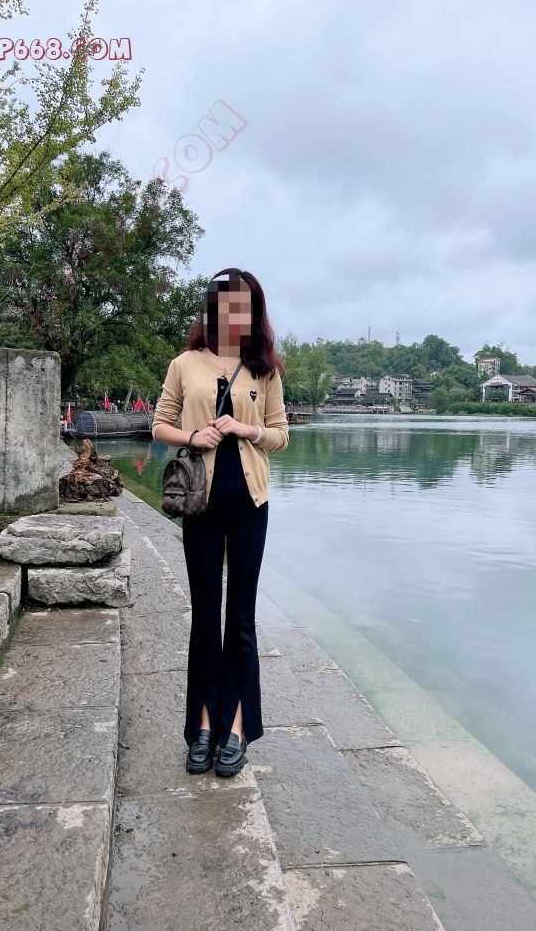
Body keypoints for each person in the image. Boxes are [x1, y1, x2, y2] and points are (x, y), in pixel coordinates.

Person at [150, 268, 290, 778]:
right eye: (227, 304)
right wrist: (194, 437)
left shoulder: (263, 369)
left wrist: (247, 430)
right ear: (213, 309)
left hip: (251, 504)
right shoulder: (184, 363)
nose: (235, 314)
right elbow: (159, 424)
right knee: (206, 618)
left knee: (242, 620)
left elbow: (280, 435)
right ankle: (203, 727)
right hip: (200, 504)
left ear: (253, 313)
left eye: (244, 306)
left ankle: (236, 728)